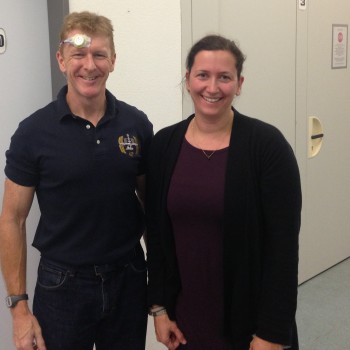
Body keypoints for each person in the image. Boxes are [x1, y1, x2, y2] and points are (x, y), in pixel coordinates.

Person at [0, 11, 153, 350]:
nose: (89, 65)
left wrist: (161, 288)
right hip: (62, 286)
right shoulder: (32, 133)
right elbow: (12, 219)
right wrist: (19, 308)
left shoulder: (136, 124)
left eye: (99, 54)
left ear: (113, 60)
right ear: (61, 60)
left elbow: (151, 207)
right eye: (78, 54)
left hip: (128, 276)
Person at [146, 34, 301, 350]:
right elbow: (157, 236)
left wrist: (272, 332)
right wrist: (159, 308)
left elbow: (282, 248)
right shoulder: (164, 145)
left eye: (224, 77)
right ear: (188, 79)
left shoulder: (267, 147)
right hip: (186, 321)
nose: (212, 88)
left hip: (250, 324)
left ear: (239, 83)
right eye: (202, 75)